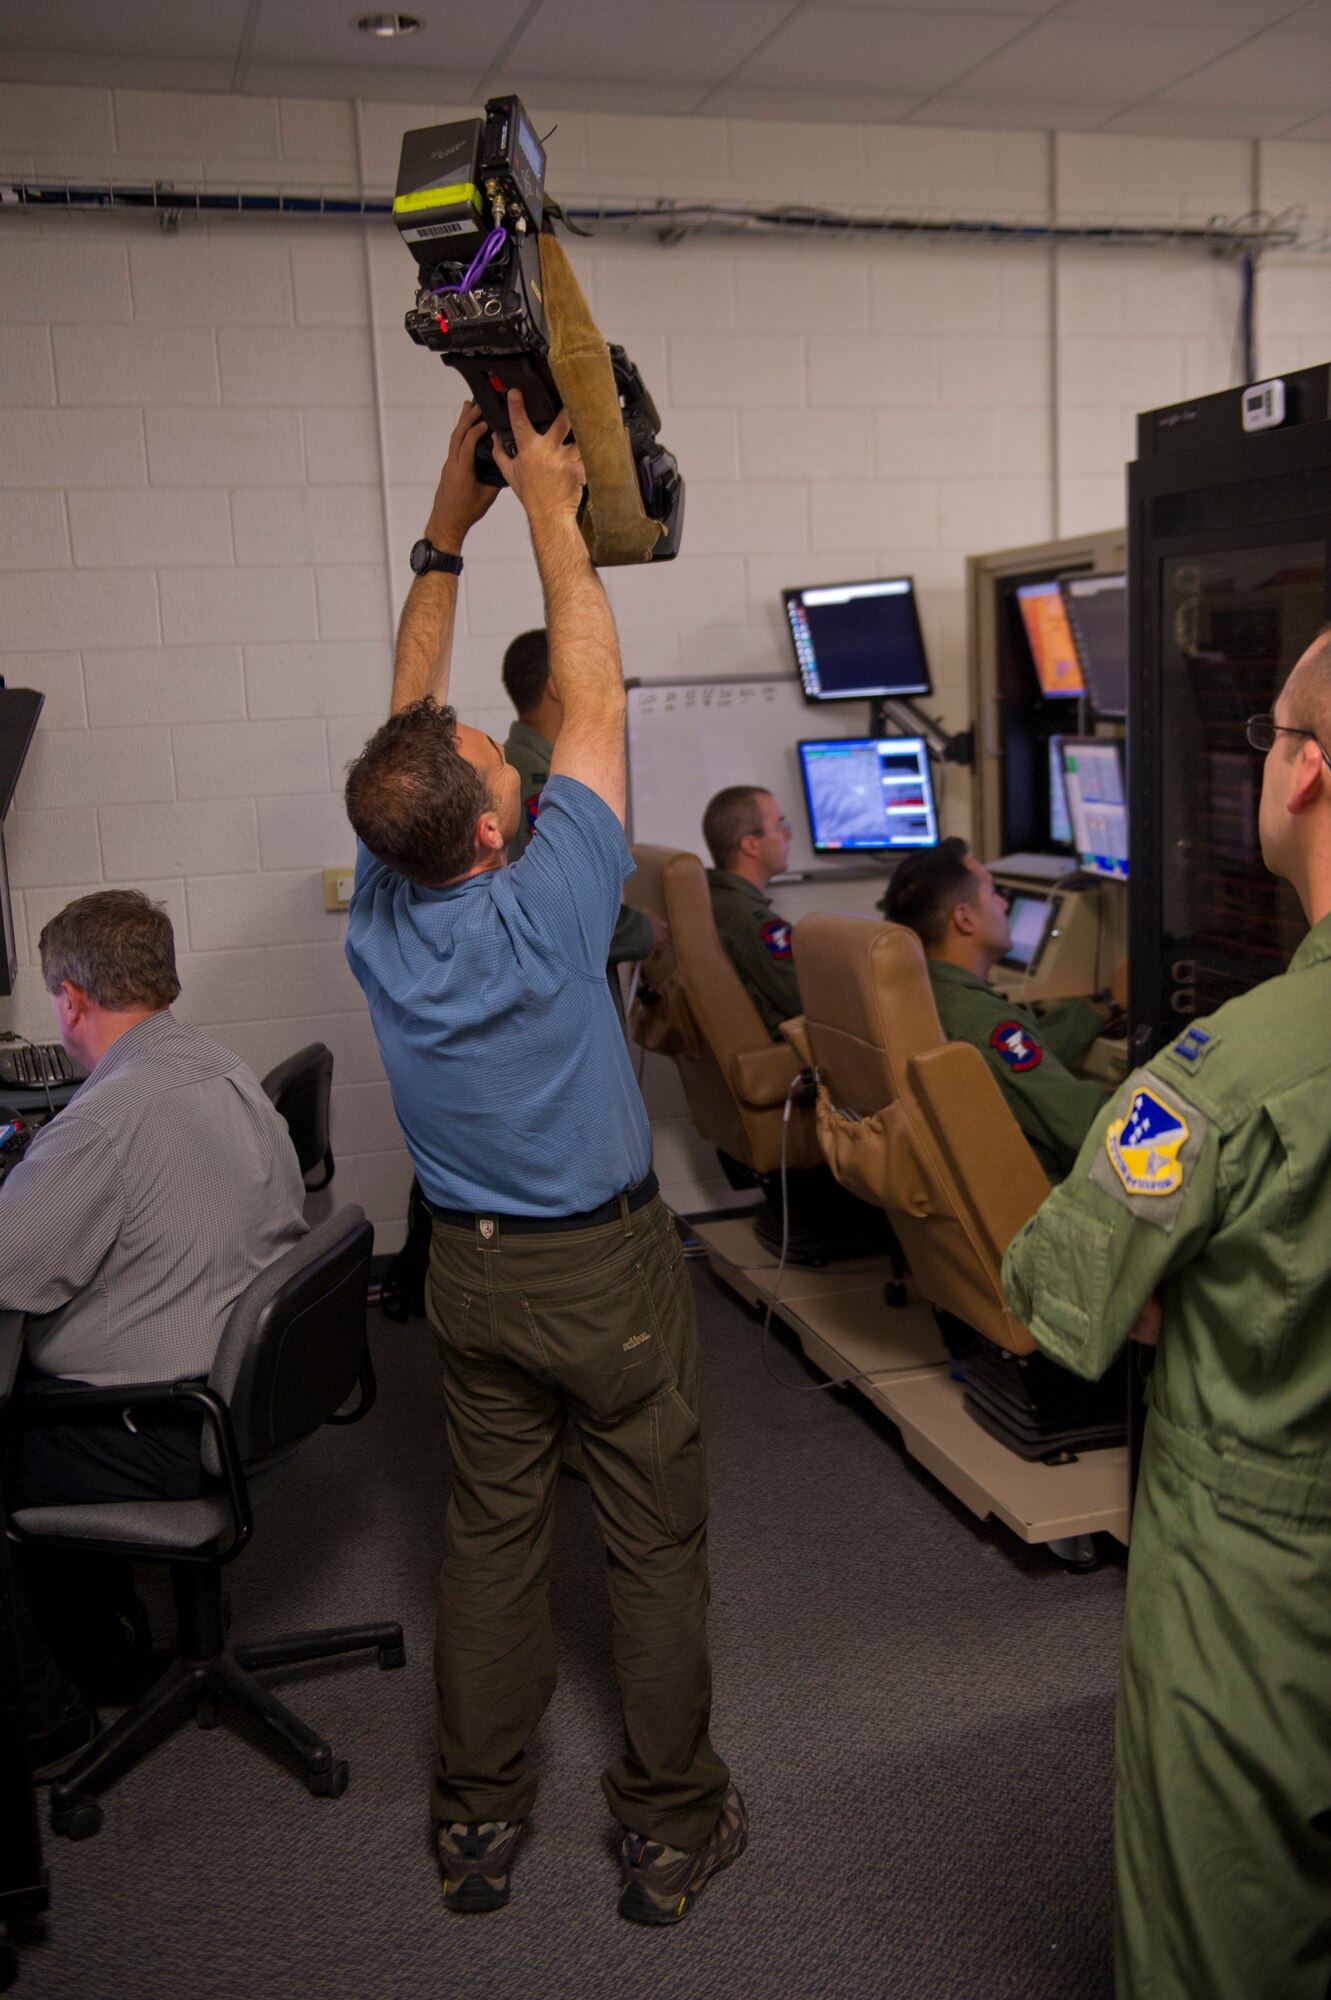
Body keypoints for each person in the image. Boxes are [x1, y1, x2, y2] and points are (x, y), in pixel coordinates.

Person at [343, 397, 743, 1925]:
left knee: (491, 1543)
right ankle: (666, 1830)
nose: (490, 753)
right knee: (649, 1541)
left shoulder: (387, 907)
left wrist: (445, 530)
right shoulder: (555, 894)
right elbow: (590, 688)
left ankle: (474, 1829)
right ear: (495, 831)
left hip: (468, 1271)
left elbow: (412, 722)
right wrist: (552, 512)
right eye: (484, 765)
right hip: (603, 1272)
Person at [1002, 630, 1331, 2000]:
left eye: (1264, 736)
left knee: (1225, 1928)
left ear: (1307, 772)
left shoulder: (1225, 1070)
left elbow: (1059, 1293)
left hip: (1261, 1577)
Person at [0, 890, 307, 1772]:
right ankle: (98, 1634)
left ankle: (43, 1714)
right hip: (249, 1389)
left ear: (69, 998)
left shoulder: (103, 1121)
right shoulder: (217, 1065)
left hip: (175, 1424)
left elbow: (11, 1267)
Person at [882, 838, 1112, 1182]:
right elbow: (1089, 1125)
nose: (1004, 904)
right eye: (993, 894)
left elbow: (1019, 1061)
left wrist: (1100, 1008)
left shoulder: (923, 994)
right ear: (965, 918)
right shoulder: (980, 1019)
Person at [501, 626, 664, 1024]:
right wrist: (639, 930)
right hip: (564, 1008)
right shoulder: (540, 784)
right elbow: (558, 912)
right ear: (558, 685)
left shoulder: (515, 767)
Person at [703, 785, 801, 1039]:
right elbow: (804, 999)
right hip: (786, 1057)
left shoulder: (711, 899)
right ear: (750, 845)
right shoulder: (755, 922)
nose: (788, 836)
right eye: (780, 826)